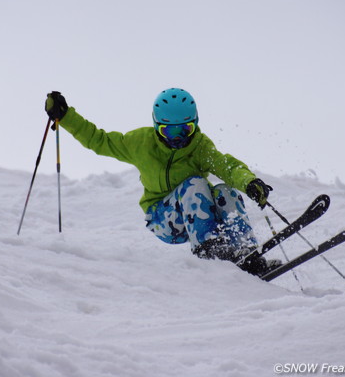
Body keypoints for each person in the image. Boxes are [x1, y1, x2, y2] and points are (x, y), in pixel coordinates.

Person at [45, 88, 278, 275]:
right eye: (169, 131)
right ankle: (210, 253)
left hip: (200, 215)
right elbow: (99, 140)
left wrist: (249, 182)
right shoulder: (140, 143)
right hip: (164, 220)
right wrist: (65, 117)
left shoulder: (200, 146)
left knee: (225, 191)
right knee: (194, 183)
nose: (177, 138)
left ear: (195, 124)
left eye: (185, 129)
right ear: (157, 127)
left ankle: (247, 254)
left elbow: (228, 167)